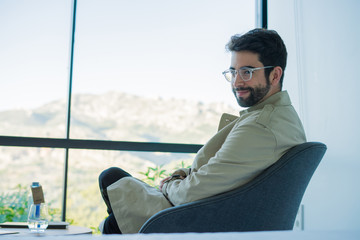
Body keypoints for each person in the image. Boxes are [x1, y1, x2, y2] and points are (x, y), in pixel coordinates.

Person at [98, 28, 306, 234]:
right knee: (115, 191)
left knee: (111, 181)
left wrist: (170, 185)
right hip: (210, 210)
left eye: (247, 72)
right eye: (233, 72)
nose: (237, 82)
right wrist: (178, 178)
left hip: (194, 218)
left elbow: (191, 194)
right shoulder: (277, 118)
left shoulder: (260, 126)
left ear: (275, 75)